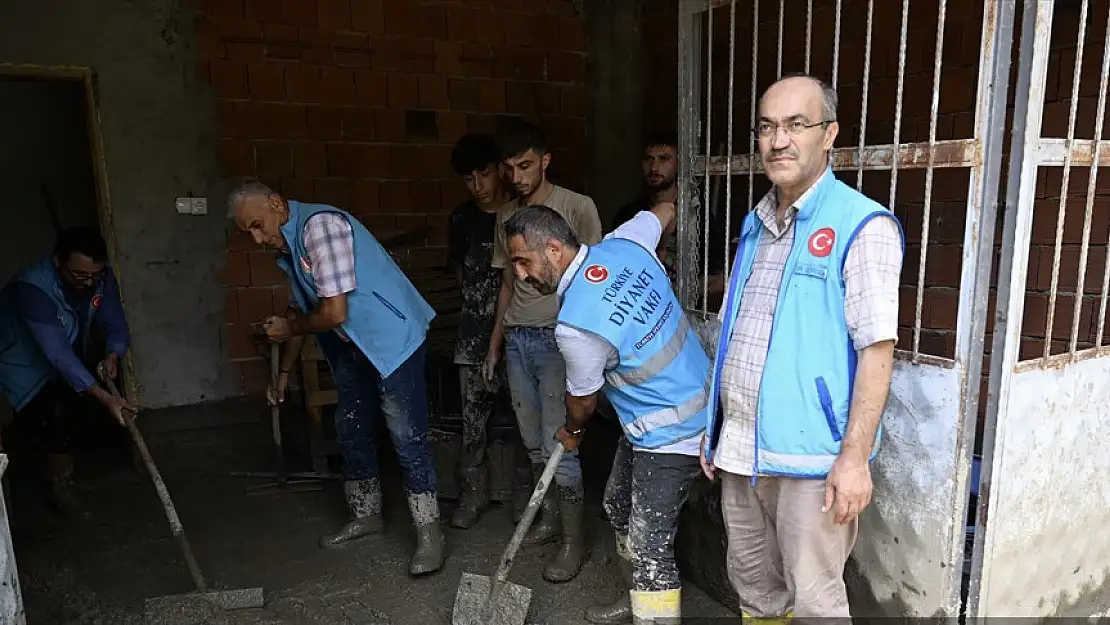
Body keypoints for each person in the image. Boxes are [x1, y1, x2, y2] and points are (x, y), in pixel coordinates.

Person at [700, 74, 904, 621]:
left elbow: (876, 351)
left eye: (796, 125)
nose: (778, 140)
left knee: (815, 603)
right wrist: (716, 426)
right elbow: (738, 333)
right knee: (755, 591)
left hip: (813, 461)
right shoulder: (755, 224)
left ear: (829, 134)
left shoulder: (861, 225)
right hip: (742, 452)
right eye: (767, 127)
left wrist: (854, 459)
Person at [504, 202, 709, 624]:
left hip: (674, 432)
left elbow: (583, 403)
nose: (521, 276)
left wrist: (573, 431)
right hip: (660, 418)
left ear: (555, 249)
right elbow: (668, 208)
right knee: (617, 506)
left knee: (649, 543)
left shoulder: (576, 326)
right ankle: (633, 600)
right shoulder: (625, 243)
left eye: (524, 262)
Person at [227, 178, 444, 576]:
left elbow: (332, 314)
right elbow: (301, 309)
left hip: (391, 337)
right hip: (351, 346)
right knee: (351, 426)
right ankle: (366, 515)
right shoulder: (290, 247)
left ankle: (429, 533)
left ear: (276, 203)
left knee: (405, 434)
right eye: (249, 233)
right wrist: (285, 374)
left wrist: (291, 331)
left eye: (258, 225)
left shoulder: (319, 228)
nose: (257, 239)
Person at [484, 120, 602, 582]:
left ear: (546, 160)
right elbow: (506, 284)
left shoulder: (576, 207)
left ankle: (573, 541)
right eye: (509, 168)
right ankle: (550, 517)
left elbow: (596, 273)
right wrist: (496, 343)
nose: (516, 177)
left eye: (526, 165)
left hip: (560, 338)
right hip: (518, 339)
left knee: (562, 441)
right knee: (533, 440)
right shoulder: (506, 217)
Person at [0, 226, 136, 518]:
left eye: (95, 276)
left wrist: (114, 353)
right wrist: (104, 396)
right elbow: (57, 352)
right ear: (57, 262)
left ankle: (56, 476)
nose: (89, 283)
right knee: (50, 415)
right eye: (80, 276)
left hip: (60, 360)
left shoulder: (100, 277)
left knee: (66, 410)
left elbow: (114, 319)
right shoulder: (31, 288)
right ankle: (54, 490)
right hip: (18, 361)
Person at [444, 133, 530, 529]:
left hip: (518, 335)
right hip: (473, 336)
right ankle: (473, 495)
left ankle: (524, 500)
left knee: (524, 424)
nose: (478, 187)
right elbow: (463, 274)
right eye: (468, 179)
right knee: (472, 425)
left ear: (500, 171)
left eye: (484, 174)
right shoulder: (461, 220)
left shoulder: (520, 214)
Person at [609, 130, 728, 323]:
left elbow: (720, 280)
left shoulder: (700, 217)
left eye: (664, 159)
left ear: (679, 164)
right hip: (635, 319)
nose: (654, 167)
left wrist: (679, 289)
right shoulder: (629, 215)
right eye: (649, 159)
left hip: (684, 319)